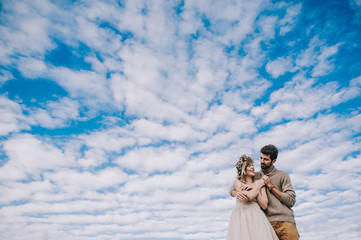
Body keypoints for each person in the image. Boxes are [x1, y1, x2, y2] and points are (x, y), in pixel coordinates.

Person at [230, 144, 299, 240]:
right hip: (264, 222)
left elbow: (290, 200)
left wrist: (270, 186)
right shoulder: (255, 176)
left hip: (284, 222)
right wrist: (236, 193)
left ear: (273, 161)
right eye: (261, 158)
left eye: (266, 159)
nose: (262, 161)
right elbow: (232, 189)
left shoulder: (283, 175)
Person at [227, 154, 279, 240]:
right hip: (241, 215)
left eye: (252, 165)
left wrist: (255, 187)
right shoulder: (237, 182)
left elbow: (264, 205)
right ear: (243, 169)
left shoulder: (259, 182)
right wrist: (258, 186)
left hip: (256, 215)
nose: (252, 168)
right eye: (248, 166)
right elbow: (249, 196)